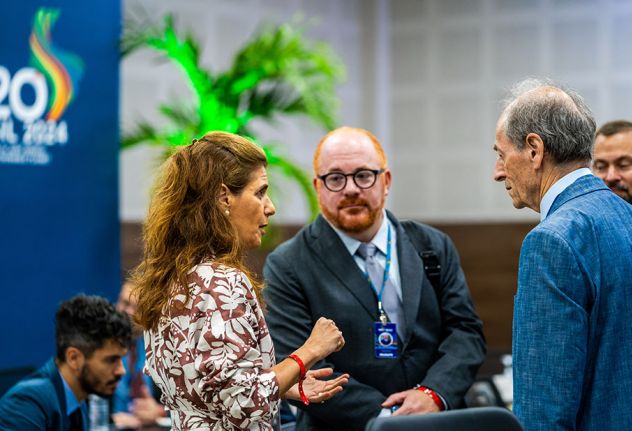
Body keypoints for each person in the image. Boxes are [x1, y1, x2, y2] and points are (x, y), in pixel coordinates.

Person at [263, 126, 486, 430]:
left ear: (386, 181)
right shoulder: (288, 264)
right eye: (336, 178)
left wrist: (433, 395)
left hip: (439, 420)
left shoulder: (432, 246)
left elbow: (465, 333)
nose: (351, 189)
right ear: (318, 187)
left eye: (364, 175)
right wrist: (391, 422)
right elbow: (304, 366)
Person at [131, 131, 348, 431]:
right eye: (259, 192)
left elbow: (212, 388)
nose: (270, 207)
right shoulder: (223, 283)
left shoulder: (172, 279)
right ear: (224, 198)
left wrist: (283, 384)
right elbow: (245, 404)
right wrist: (310, 350)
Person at [492, 78, 632, 430]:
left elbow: (544, 408)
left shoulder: (551, 241)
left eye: (500, 154)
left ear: (534, 149)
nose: (498, 172)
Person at [0, 295, 132, 431]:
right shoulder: (26, 406)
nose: (121, 370)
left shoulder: (80, 398)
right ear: (73, 358)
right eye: (111, 360)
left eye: (121, 359)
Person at [112, 281, 167, 429]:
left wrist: (159, 412)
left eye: (136, 307)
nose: (128, 312)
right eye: (124, 303)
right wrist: (111, 419)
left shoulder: (161, 351)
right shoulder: (98, 348)